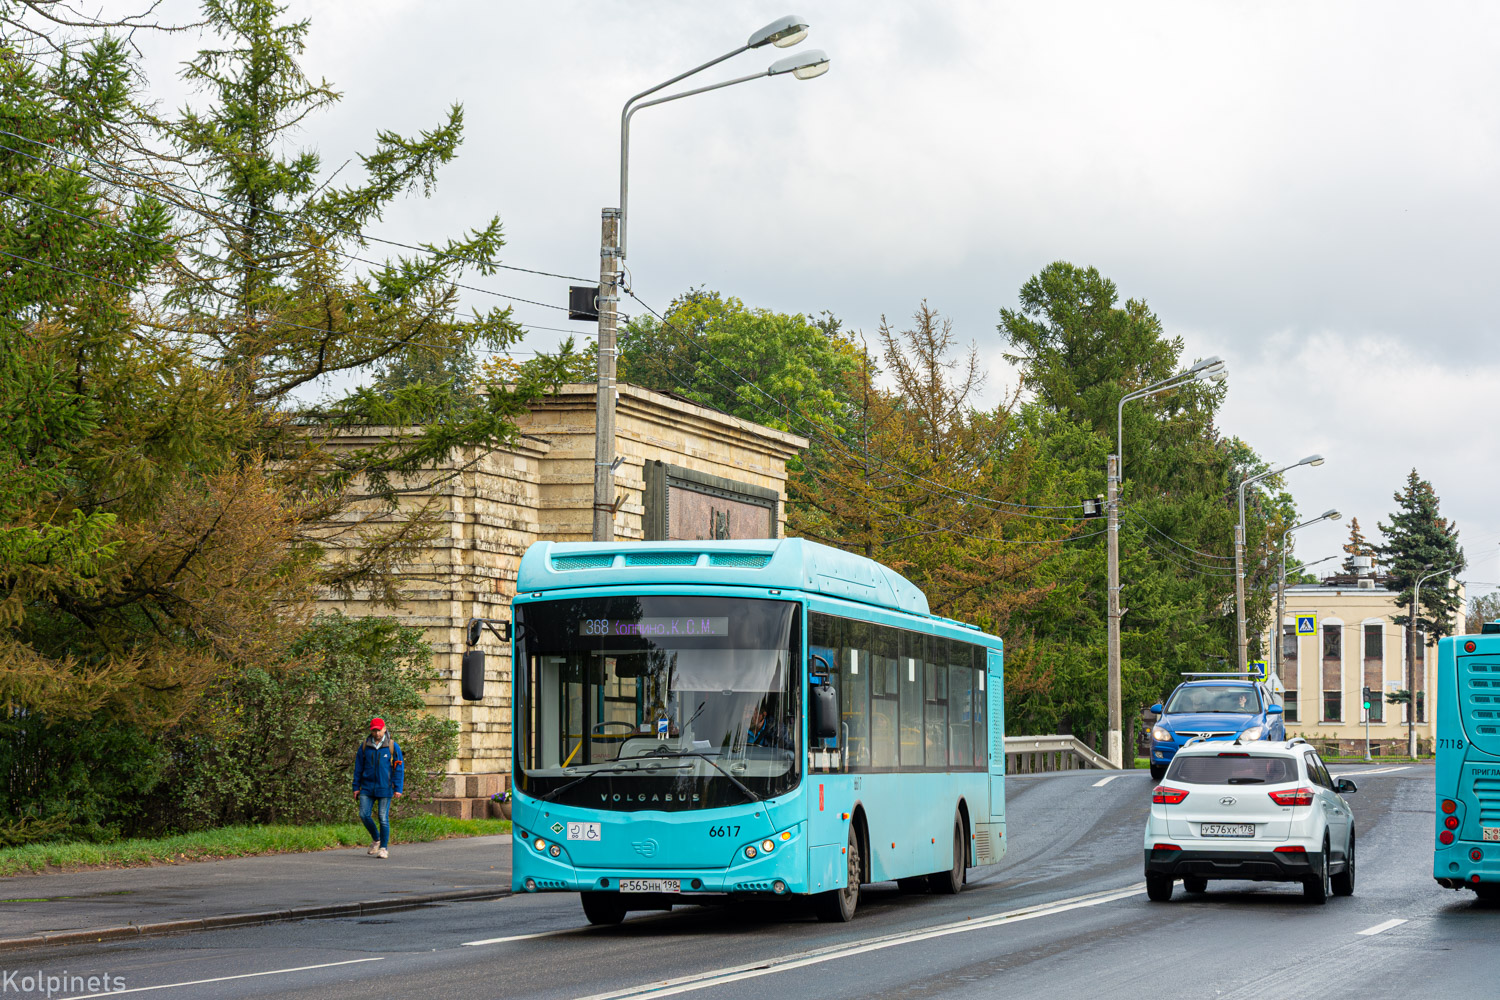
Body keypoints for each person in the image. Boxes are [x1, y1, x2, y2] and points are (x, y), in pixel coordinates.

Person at [353, 718, 404, 859]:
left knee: (383, 818)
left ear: (384, 729)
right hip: (367, 787)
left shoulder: (392, 746)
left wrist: (398, 788)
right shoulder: (365, 746)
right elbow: (358, 768)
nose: (377, 733)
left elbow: (399, 768)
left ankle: (383, 848)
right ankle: (376, 839)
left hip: (385, 787)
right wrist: (356, 786)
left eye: (379, 730)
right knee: (363, 815)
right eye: (374, 730)